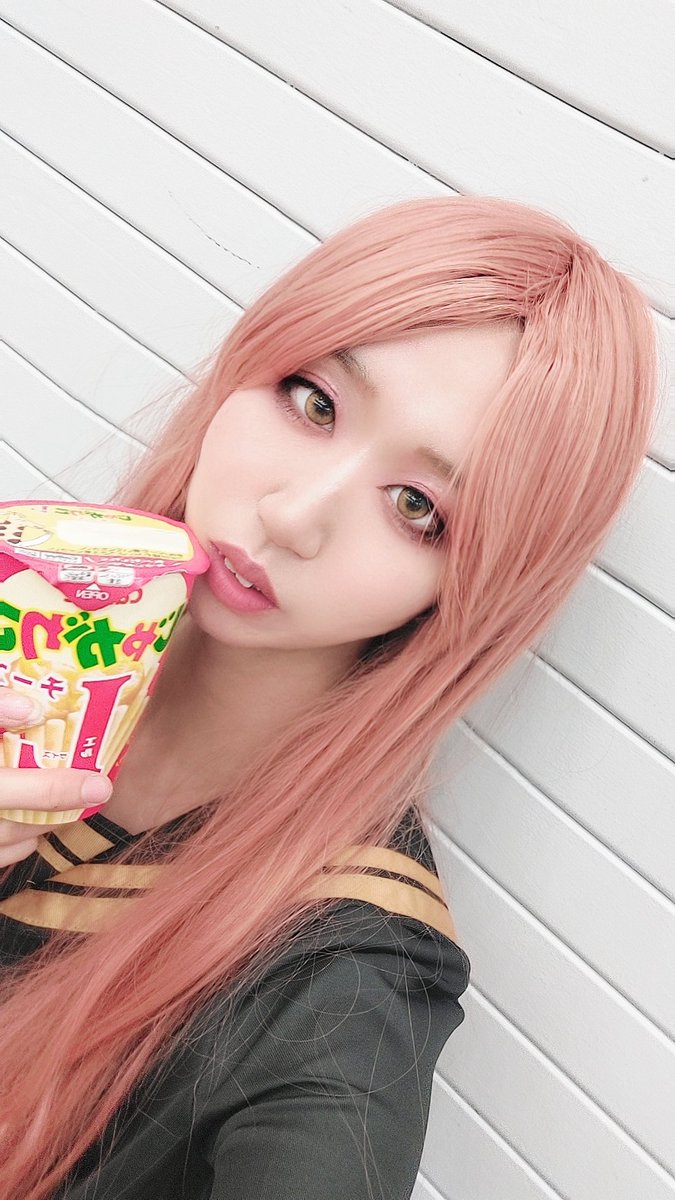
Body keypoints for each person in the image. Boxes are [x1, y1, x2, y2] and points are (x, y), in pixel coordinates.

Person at [0, 195, 658, 1200]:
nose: (294, 515)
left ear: (471, 584)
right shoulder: (40, 632)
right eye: (313, 403)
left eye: (417, 506)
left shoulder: (344, 980)